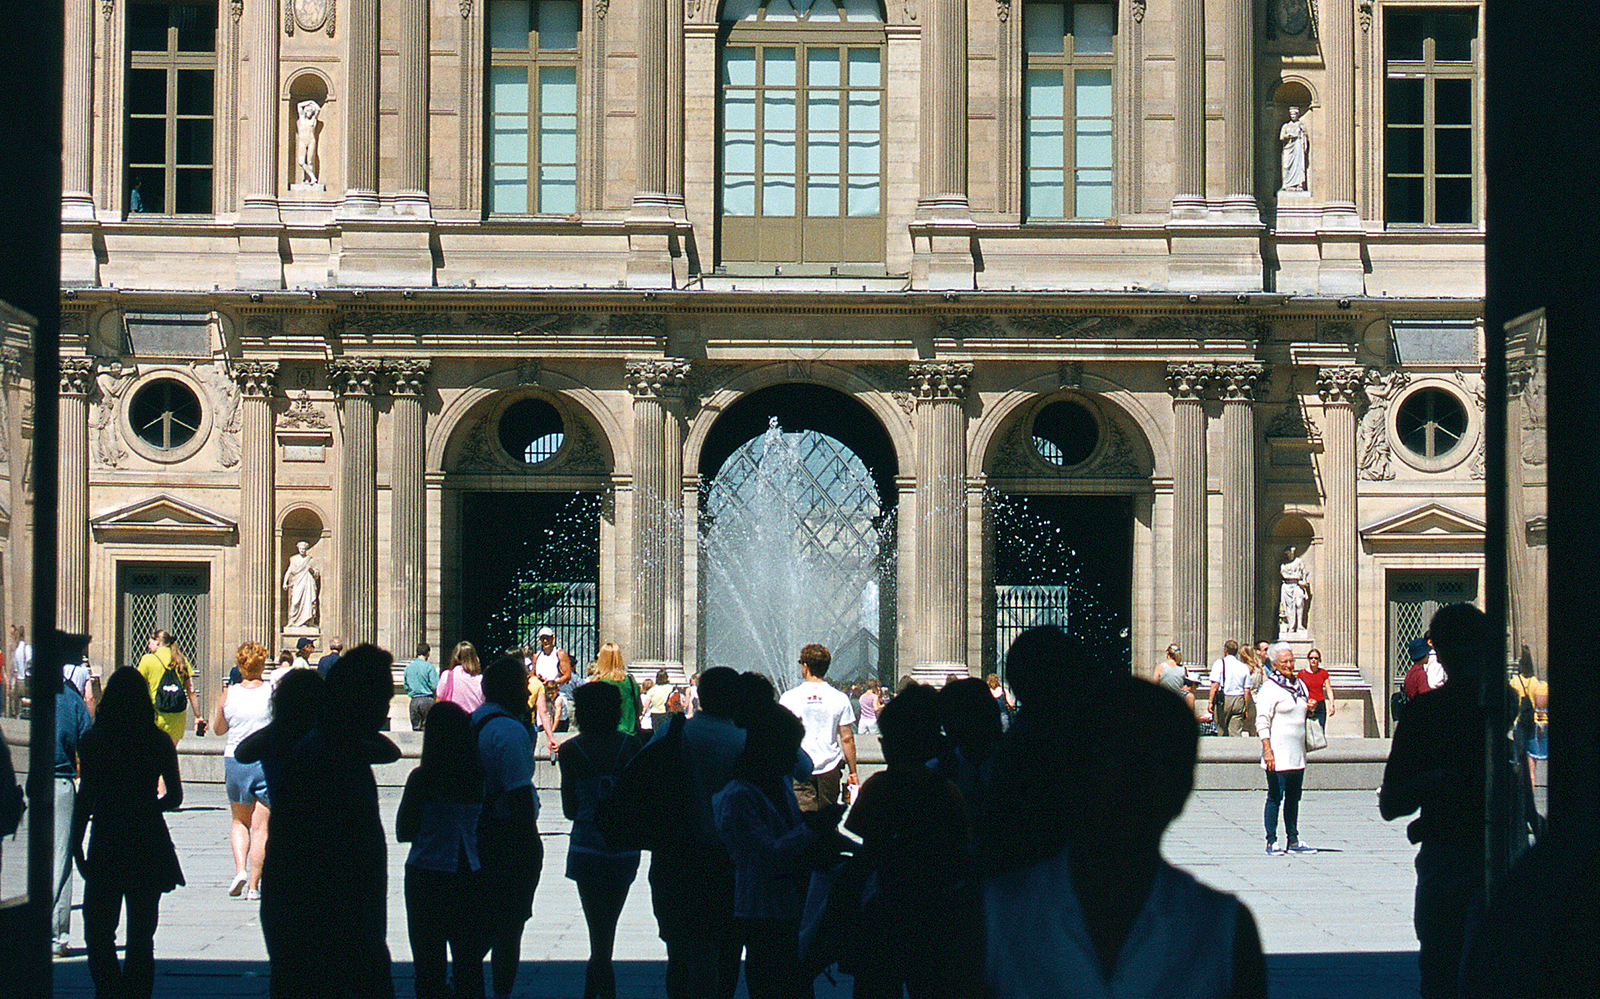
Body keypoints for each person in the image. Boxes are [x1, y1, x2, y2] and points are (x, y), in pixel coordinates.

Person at [984, 672, 1267, 998]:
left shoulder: (1225, 930)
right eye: (1113, 758)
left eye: (1154, 763)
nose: (1131, 781)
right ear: (1074, 773)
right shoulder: (993, 917)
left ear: (1182, 787)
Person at [257, 645, 401, 999]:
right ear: (358, 699)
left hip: (337, 922)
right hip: (328, 926)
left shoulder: (337, 747)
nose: (385, 708)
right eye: (382, 697)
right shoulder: (323, 756)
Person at [1381, 603, 1489, 999]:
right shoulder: (1489, 711)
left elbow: (1392, 802)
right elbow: (1393, 802)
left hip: (1451, 859)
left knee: (1442, 973)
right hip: (1461, 858)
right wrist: (1440, 781)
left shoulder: (1431, 714)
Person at [848, 684, 980, 999]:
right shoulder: (946, 790)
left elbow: (868, 850)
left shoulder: (878, 787)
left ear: (886, 743)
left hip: (887, 906)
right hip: (936, 907)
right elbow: (963, 845)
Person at [71, 667, 186, 999]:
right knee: (141, 936)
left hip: (107, 837)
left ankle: (108, 989)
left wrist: (76, 845)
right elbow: (175, 796)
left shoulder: (93, 741)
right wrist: (149, 806)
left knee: (98, 930)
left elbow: (85, 798)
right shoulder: (158, 741)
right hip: (147, 839)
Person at [649, 665, 747, 999]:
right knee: (727, 948)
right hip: (727, 859)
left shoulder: (672, 732)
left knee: (678, 952)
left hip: (675, 855)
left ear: (700, 695)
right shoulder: (743, 740)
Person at [714, 700, 818, 999]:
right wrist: (812, 829)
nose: (794, 759)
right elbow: (767, 854)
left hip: (789, 902)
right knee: (769, 978)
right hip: (760, 906)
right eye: (789, 750)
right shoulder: (739, 795)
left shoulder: (779, 785)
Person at [466, 656, 544, 999]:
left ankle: (467, 985)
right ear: (509, 689)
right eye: (522, 684)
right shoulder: (509, 732)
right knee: (509, 930)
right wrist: (531, 848)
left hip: (475, 834)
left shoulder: (473, 722)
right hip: (506, 839)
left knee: (479, 926)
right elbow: (519, 794)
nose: (527, 691)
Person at [560, 682, 644, 999]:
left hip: (587, 843)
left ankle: (596, 985)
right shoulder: (632, 746)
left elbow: (569, 809)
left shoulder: (570, 751)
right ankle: (601, 983)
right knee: (608, 925)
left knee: (597, 926)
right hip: (623, 845)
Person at [397, 701, 485, 999]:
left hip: (425, 872)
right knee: (468, 964)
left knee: (428, 965)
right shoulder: (477, 778)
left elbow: (403, 830)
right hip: (467, 871)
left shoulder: (422, 779)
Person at [212, 641, 275, 901]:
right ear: (262, 665)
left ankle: (240, 870)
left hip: (235, 760)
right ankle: (254, 887)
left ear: (240, 666)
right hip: (264, 762)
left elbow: (218, 729)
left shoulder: (229, 694)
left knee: (240, 821)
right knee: (261, 828)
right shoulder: (272, 692)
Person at [778, 643, 857, 820]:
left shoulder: (789, 698)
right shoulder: (840, 698)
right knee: (828, 819)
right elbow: (847, 739)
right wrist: (853, 772)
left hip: (799, 766)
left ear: (805, 666)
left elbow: (781, 736)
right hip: (830, 767)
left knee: (804, 819)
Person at [53, 638, 96, 956]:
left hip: (27, 782)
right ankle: (55, 933)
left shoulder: (30, 699)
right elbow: (88, 748)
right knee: (59, 858)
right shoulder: (72, 700)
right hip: (61, 784)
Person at [1257, 642, 1316, 855]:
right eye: (1284, 662)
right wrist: (1267, 750)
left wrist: (1310, 708)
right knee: (1275, 796)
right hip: (1277, 753)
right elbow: (1262, 721)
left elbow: (1301, 713)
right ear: (1274, 664)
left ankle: (1293, 839)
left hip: (1297, 753)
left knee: (1294, 798)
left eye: (1291, 661)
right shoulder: (1269, 688)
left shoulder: (1300, 685)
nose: (1289, 665)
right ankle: (1271, 841)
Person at [137, 630, 200, 743]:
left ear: (157, 642)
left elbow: (135, 687)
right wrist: (198, 716)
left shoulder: (148, 660)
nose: (148, 645)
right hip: (177, 716)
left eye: (150, 642)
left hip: (156, 715)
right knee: (170, 751)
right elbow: (191, 691)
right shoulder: (181, 660)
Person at [592, 641, 644, 737]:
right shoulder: (630, 681)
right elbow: (639, 709)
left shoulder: (600, 683)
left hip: (608, 736)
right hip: (630, 735)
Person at [1209, 640, 1252, 737]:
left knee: (1221, 729)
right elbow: (1247, 690)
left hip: (1224, 699)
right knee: (1236, 731)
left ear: (1225, 650)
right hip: (1238, 699)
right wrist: (1245, 707)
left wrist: (1210, 702)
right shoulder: (1243, 667)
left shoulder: (1219, 664)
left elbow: (1215, 685)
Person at [438, 640, 485, 714]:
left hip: (453, 717)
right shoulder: (481, 679)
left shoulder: (447, 676)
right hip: (474, 718)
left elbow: (439, 701)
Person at [283, 540, 320, 627]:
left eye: (304, 549)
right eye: (301, 549)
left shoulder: (310, 560)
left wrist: (311, 570)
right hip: (297, 582)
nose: (302, 550)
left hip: (308, 583)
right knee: (295, 602)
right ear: (298, 549)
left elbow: (316, 573)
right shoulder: (294, 559)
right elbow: (289, 571)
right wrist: (285, 582)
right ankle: (292, 621)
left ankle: (308, 622)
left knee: (308, 602)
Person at [1299, 648, 1336, 729]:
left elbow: (1329, 690)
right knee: (1306, 730)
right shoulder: (1302, 674)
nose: (1313, 660)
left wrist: (1332, 705)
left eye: (1316, 658)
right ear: (1308, 659)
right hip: (1307, 704)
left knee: (1320, 729)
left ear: (1319, 660)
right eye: (1311, 658)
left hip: (1320, 705)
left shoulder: (1323, 673)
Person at [405, 642, 438, 731]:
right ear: (428, 653)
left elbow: (406, 686)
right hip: (427, 701)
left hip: (414, 701)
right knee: (428, 730)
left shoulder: (408, 667)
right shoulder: (429, 667)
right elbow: (435, 685)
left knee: (416, 730)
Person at [1279, 545, 1310, 635]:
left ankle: (1300, 625)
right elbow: (1284, 575)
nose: (1289, 555)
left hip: (1297, 585)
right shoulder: (1284, 564)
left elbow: (1303, 573)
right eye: (1288, 553)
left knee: (1299, 604)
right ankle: (1291, 627)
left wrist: (1304, 581)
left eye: (1290, 553)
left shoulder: (1299, 561)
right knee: (1289, 607)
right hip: (1287, 586)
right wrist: (1297, 577)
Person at [1280, 105, 1309, 192]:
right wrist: (1288, 136)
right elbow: (1281, 137)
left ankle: (1298, 184)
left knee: (1298, 165)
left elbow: (1305, 136)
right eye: (1291, 114)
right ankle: (1286, 184)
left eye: (1294, 114)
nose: (1293, 116)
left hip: (1297, 147)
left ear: (1297, 115)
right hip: (1288, 147)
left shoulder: (1300, 125)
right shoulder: (1286, 126)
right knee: (1286, 165)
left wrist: (1302, 134)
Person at [295, 99, 322, 185]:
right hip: (302, 140)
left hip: (311, 140)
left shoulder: (313, 120)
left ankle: (308, 180)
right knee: (301, 161)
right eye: (308, 111)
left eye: (311, 111)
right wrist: (310, 102)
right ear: (305, 112)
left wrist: (313, 104)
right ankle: (312, 177)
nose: (309, 112)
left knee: (310, 161)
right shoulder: (302, 119)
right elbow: (299, 105)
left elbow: (318, 109)